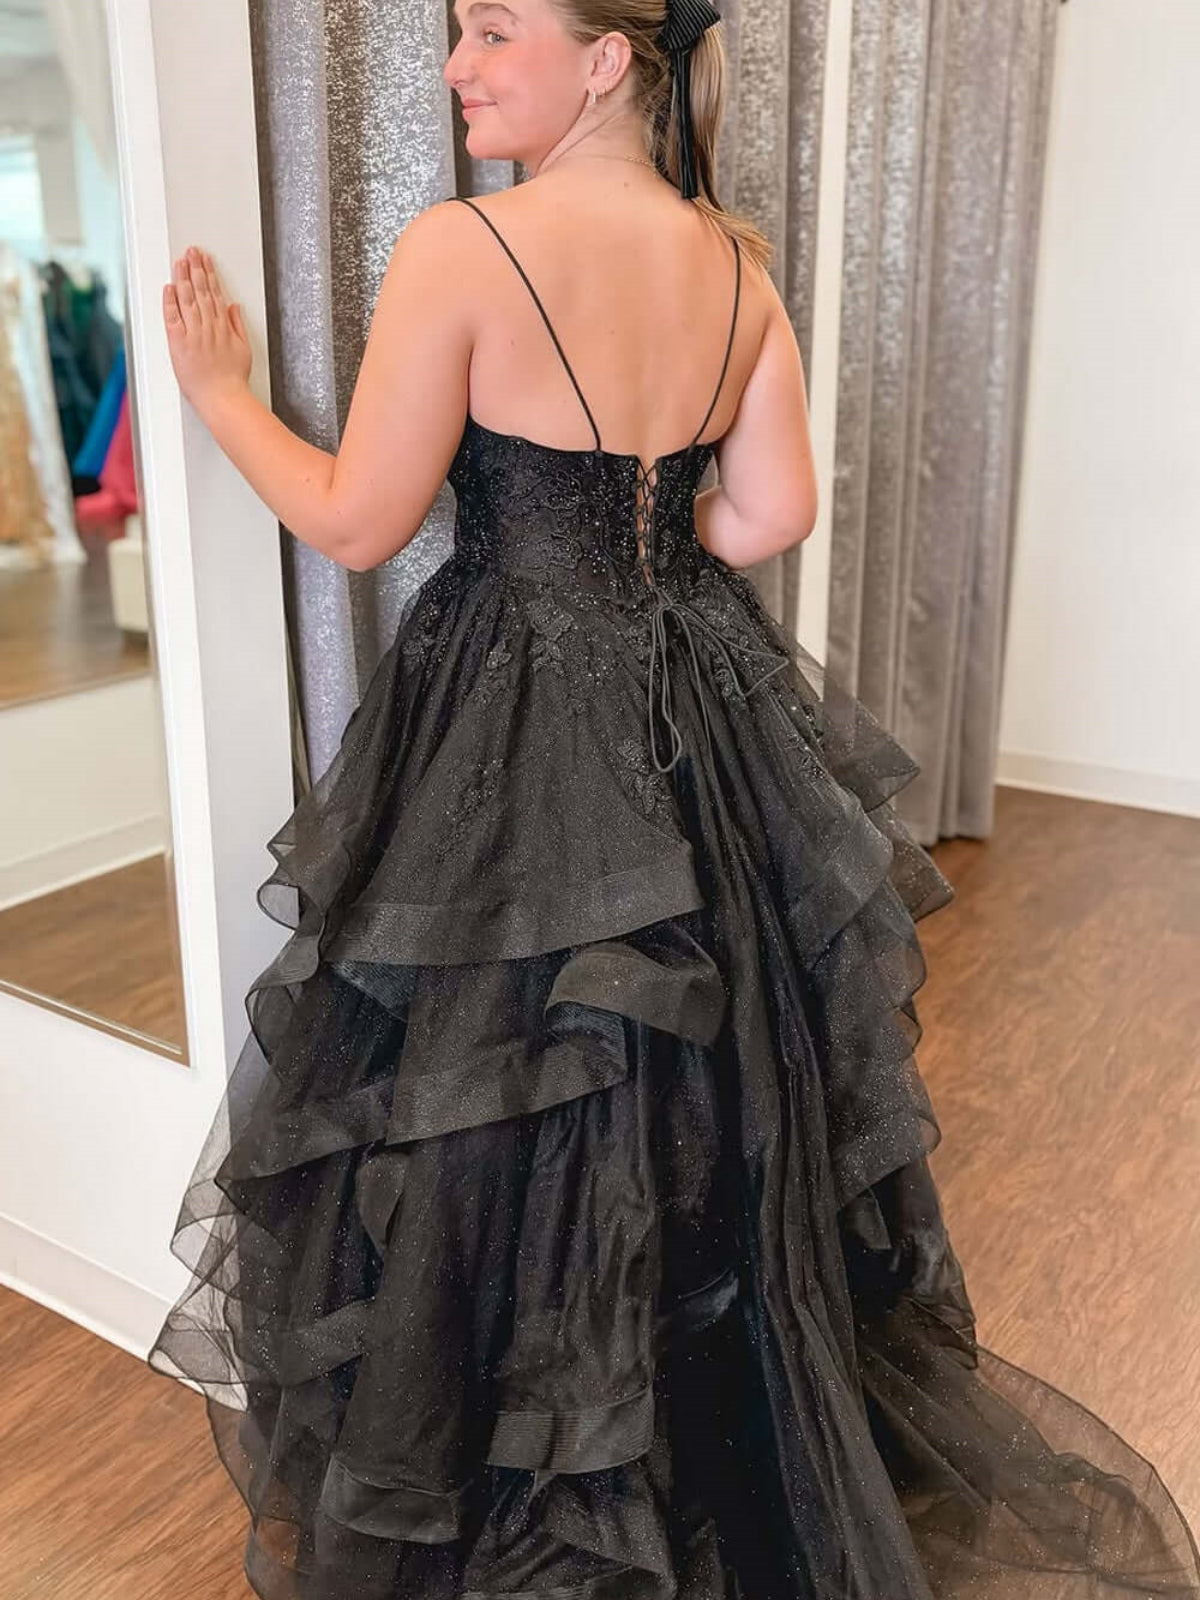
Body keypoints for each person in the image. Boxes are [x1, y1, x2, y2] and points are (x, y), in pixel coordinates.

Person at [148, 2, 1200, 1597]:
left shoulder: (464, 247)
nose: (456, 66)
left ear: (605, 59)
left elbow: (360, 522)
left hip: (511, 716)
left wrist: (222, 391)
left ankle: (537, 1483)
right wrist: (640, 550)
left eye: (491, 29)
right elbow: (773, 508)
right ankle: (715, 1462)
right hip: (696, 701)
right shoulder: (735, 267)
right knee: (714, 1091)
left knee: (514, 1092)